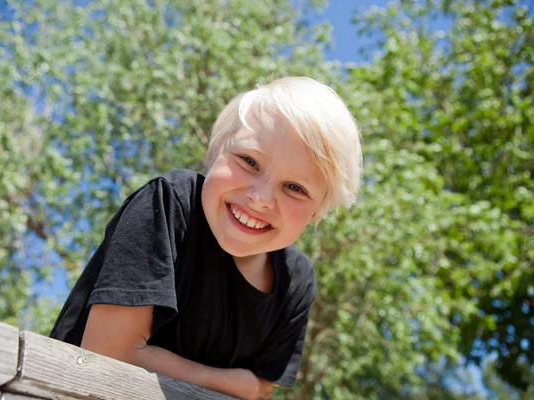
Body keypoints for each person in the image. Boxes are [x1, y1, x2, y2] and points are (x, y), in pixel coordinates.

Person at [50, 77, 363, 399]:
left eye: (295, 188)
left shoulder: (296, 281)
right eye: (249, 161)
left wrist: (153, 359)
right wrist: (229, 382)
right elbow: (109, 356)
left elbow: (260, 389)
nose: (261, 197)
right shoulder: (170, 203)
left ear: (315, 215)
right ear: (214, 154)